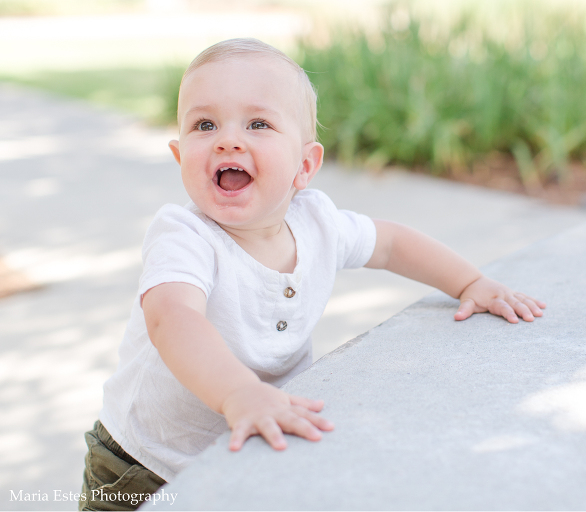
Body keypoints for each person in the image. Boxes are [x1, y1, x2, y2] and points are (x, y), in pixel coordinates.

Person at [80, 38, 546, 511]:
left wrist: (470, 283)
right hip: (143, 464)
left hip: (248, 438)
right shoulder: (185, 236)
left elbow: (391, 243)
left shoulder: (317, 222)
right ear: (181, 159)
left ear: (305, 166)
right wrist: (239, 393)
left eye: (258, 123)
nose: (227, 138)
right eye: (205, 124)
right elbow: (172, 319)